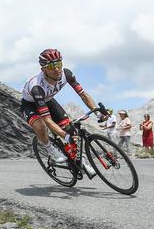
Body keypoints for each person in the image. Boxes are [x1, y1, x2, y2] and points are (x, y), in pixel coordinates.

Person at [20, 48, 98, 176]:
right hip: (30, 105)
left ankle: (82, 162)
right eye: (51, 66)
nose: (56, 69)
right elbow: (48, 121)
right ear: (43, 69)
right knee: (40, 126)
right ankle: (50, 149)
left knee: (70, 129)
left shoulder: (66, 74)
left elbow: (83, 95)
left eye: (58, 64)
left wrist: (97, 112)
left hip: (49, 100)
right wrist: (65, 137)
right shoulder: (37, 87)